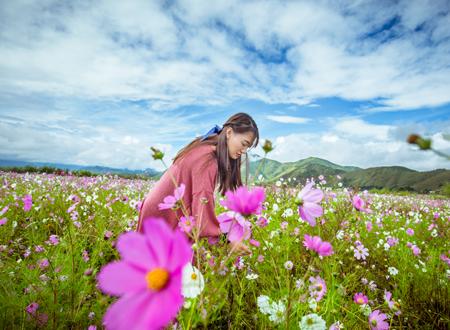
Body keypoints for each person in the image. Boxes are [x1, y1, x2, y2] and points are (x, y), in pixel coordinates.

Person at [136, 112, 259, 255]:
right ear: (229, 132)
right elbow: (202, 202)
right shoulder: (208, 158)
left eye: (247, 147)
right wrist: (226, 242)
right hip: (165, 215)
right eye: (244, 144)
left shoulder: (206, 146)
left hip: (162, 210)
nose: (243, 151)